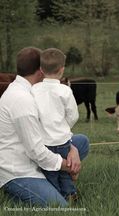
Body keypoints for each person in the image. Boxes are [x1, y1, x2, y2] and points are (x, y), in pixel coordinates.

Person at [0, 47, 89, 207]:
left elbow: (51, 127)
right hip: (19, 169)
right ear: (41, 71)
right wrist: (69, 166)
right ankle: (19, 193)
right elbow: (35, 151)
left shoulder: (31, 90)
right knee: (60, 207)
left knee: (81, 141)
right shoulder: (21, 99)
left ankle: (53, 181)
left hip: (37, 153)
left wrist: (71, 148)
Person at [31, 48, 83, 201]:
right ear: (62, 70)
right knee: (64, 171)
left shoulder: (33, 89)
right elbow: (73, 115)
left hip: (42, 142)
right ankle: (69, 194)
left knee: (50, 171)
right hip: (62, 141)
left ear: (41, 70)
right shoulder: (65, 90)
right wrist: (64, 127)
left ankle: (55, 196)